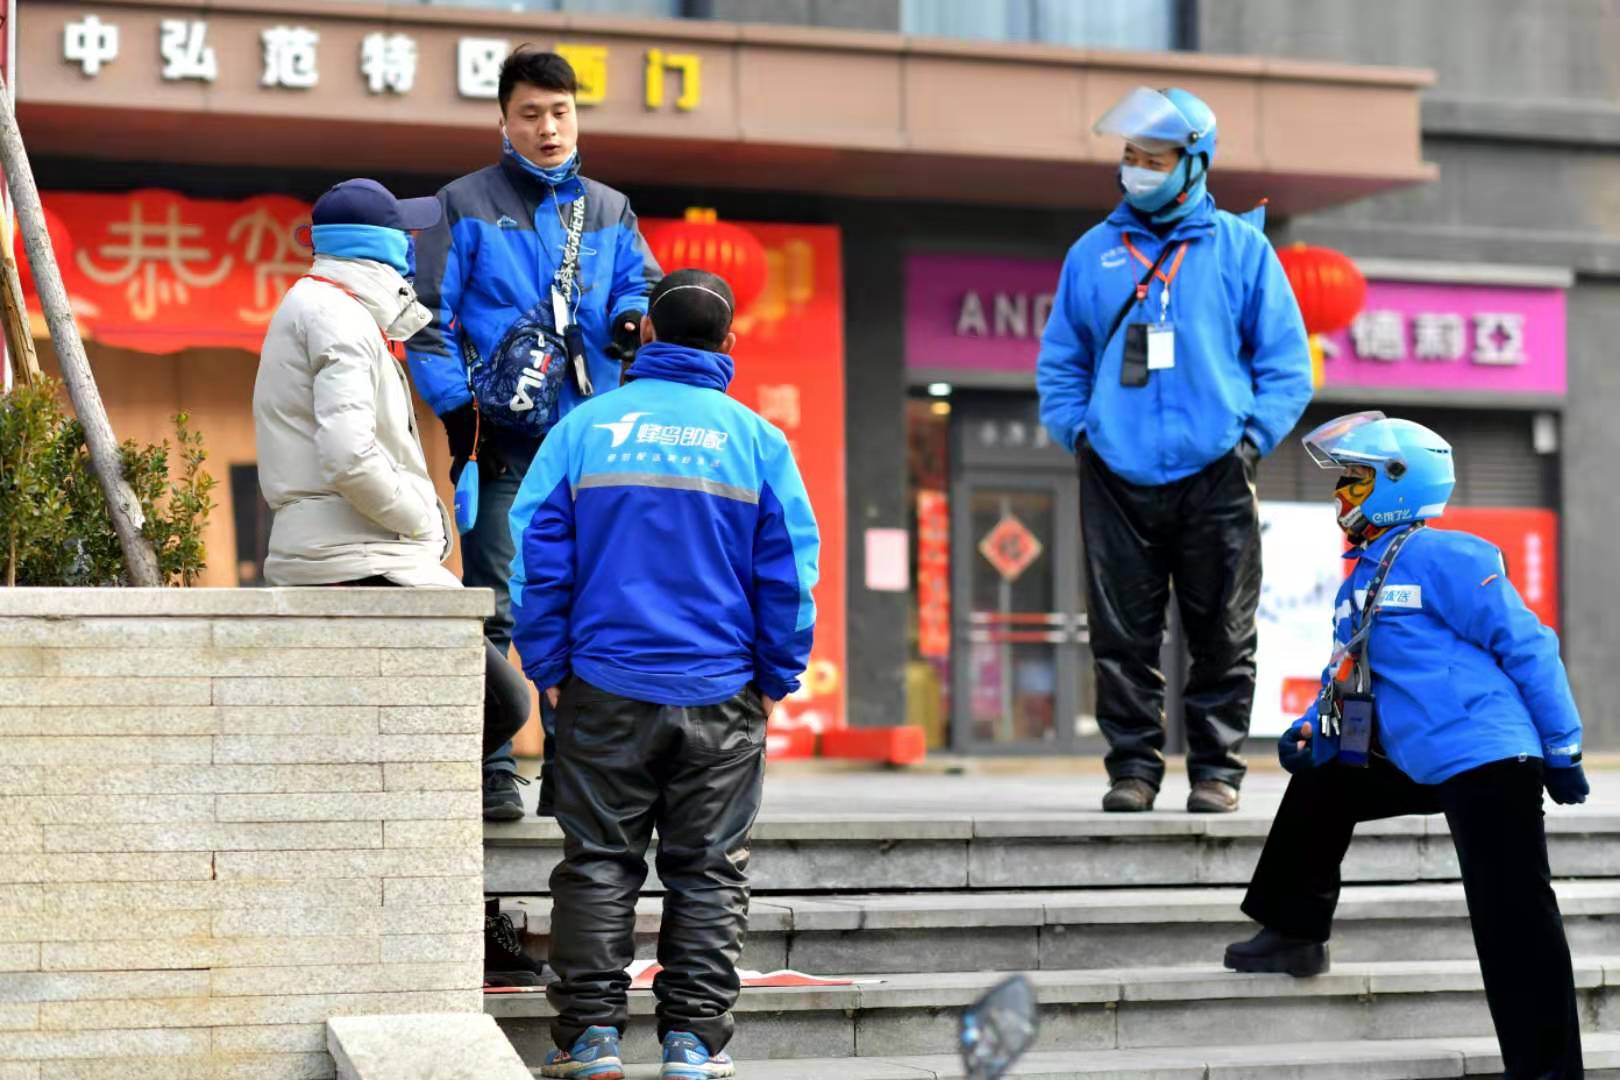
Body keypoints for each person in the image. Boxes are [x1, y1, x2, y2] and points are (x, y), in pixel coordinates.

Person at [508, 269, 819, 1080]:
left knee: (598, 864)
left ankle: (589, 1041)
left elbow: (538, 558)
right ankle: (691, 1044)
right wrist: (776, 676)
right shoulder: (756, 440)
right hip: (720, 694)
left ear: (645, 335)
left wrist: (548, 664)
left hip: (603, 688)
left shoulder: (584, 430)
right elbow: (788, 576)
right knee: (709, 872)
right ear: (728, 348)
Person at [1226, 412, 1586, 1079]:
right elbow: (1347, 671)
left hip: (1488, 757)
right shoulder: (1358, 579)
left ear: (1398, 481)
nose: (1341, 495)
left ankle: (1547, 1069)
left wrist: (1562, 748)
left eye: (1353, 481)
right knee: (1323, 782)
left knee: (1513, 914)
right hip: (1421, 754)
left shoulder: (1450, 556)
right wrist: (1311, 729)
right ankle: (1295, 932)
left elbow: (1529, 646)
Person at [252, 177, 543, 989]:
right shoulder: (339, 320)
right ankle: (456, 923)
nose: (416, 248)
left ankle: (454, 920)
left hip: (353, 559)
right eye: (404, 236)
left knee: (442, 741)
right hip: (362, 566)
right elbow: (347, 456)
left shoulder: (336, 312)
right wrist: (422, 520)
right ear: (376, 247)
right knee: (498, 705)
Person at [1035, 86, 1312, 814]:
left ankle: (1217, 769)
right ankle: (1132, 768)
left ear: (1194, 164)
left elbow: (1287, 364)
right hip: (1115, 467)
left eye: (1152, 159)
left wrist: (1249, 441)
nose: (1135, 170)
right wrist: (1079, 430)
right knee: (1121, 631)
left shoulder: (1242, 250)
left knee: (1222, 626)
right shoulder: (1093, 253)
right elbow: (1061, 357)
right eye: (1129, 158)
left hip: (1215, 466)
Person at [406, 48, 662, 822]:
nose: (548, 129)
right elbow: (423, 321)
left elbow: (642, 284)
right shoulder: (463, 203)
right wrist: (459, 412)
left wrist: (629, 317)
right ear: (503, 121)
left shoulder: (611, 208)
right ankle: (488, 767)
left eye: (561, 112)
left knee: (587, 607)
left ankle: (569, 769)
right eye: (531, 114)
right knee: (492, 608)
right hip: (503, 447)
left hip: (591, 445)